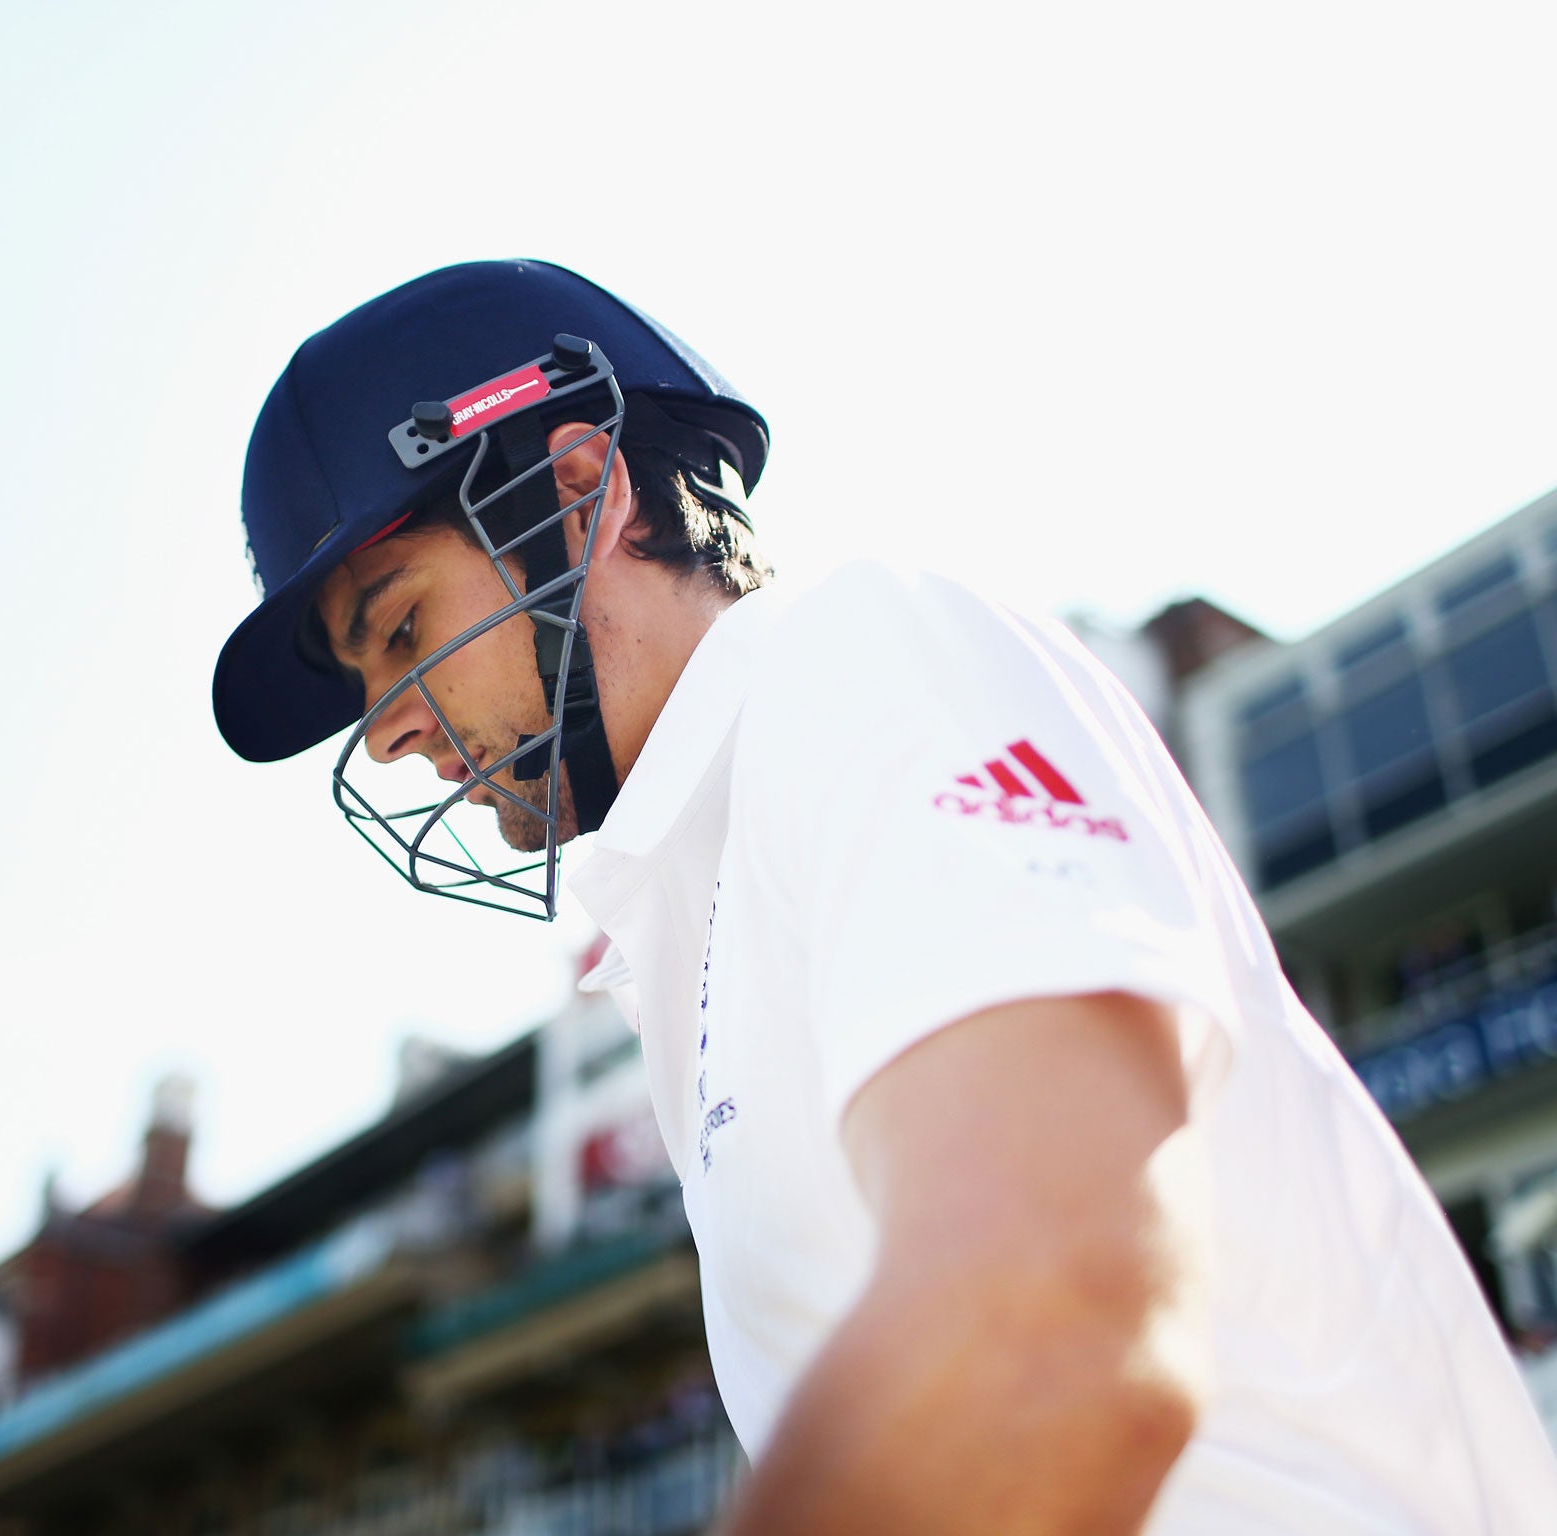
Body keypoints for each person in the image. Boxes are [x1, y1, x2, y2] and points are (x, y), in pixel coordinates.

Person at [210, 259, 1557, 1532]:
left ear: (579, 494)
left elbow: (1056, 1314)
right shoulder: (686, 921)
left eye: (401, 628)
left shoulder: (852, 656)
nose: (387, 732)